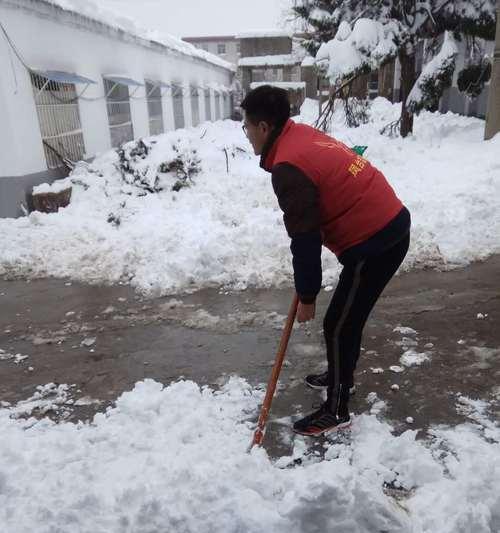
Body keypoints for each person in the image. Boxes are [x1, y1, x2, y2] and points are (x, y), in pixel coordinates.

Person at [240, 85, 411, 437]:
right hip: (383, 223)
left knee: (340, 324)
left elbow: (305, 237)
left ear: (263, 127)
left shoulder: (288, 165)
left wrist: (307, 296)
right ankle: (339, 377)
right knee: (344, 321)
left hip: (376, 239)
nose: (246, 135)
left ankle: (336, 409)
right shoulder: (297, 135)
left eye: (246, 126)